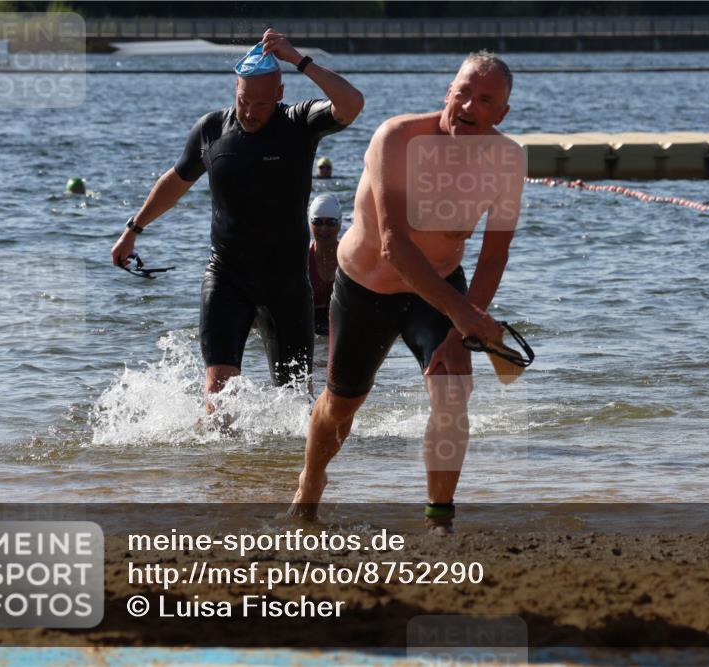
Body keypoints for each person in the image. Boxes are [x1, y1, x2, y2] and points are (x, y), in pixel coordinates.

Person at [289, 52, 525, 533]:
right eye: (462, 92)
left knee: (454, 390)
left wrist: (463, 331)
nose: (469, 105)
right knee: (341, 405)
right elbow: (396, 245)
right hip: (366, 287)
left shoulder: (507, 159)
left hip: (439, 289)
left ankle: (439, 518)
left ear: (501, 113)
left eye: (485, 100)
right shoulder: (398, 138)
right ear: (447, 93)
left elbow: (494, 255)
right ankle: (309, 487)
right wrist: (466, 315)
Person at [110, 29, 364, 411]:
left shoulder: (298, 123)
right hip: (226, 277)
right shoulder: (212, 129)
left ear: (279, 94)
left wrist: (299, 60)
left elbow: (352, 103)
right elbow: (176, 181)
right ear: (235, 90)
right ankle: (222, 469)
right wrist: (133, 229)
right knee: (219, 394)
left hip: (286, 284)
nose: (250, 112)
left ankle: (289, 470)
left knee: (296, 402)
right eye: (244, 100)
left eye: (261, 104)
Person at [307, 194, 342, 335]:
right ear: (310, 224)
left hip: (342, 333)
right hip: (311, 334)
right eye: (318, 222)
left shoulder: (350, 258)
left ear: (339, 223)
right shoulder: (302, 259)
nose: (324, 229)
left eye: (331, 223)